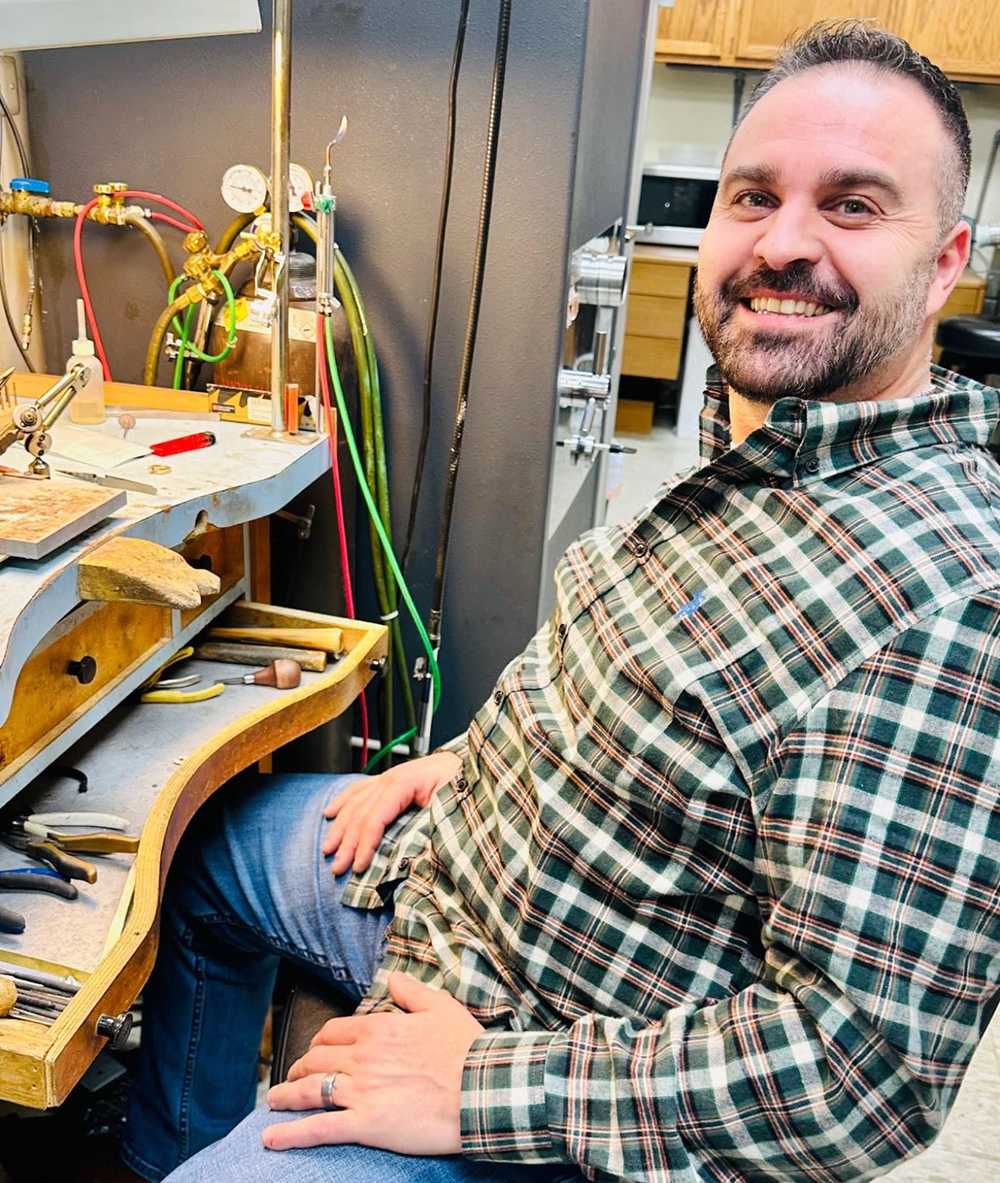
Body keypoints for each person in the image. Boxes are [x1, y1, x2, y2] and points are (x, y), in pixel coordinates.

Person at [123, 19, 1000, 1183]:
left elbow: (857, 1073)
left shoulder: (947, 600)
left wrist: (473, 1086)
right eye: (752, 197)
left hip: (551, 1069)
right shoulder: (766, 436)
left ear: (944, 260)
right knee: (212, 846)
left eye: (850, 206)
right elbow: (635, 667)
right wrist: (474, 761)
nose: (781, 245)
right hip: (458, 881)